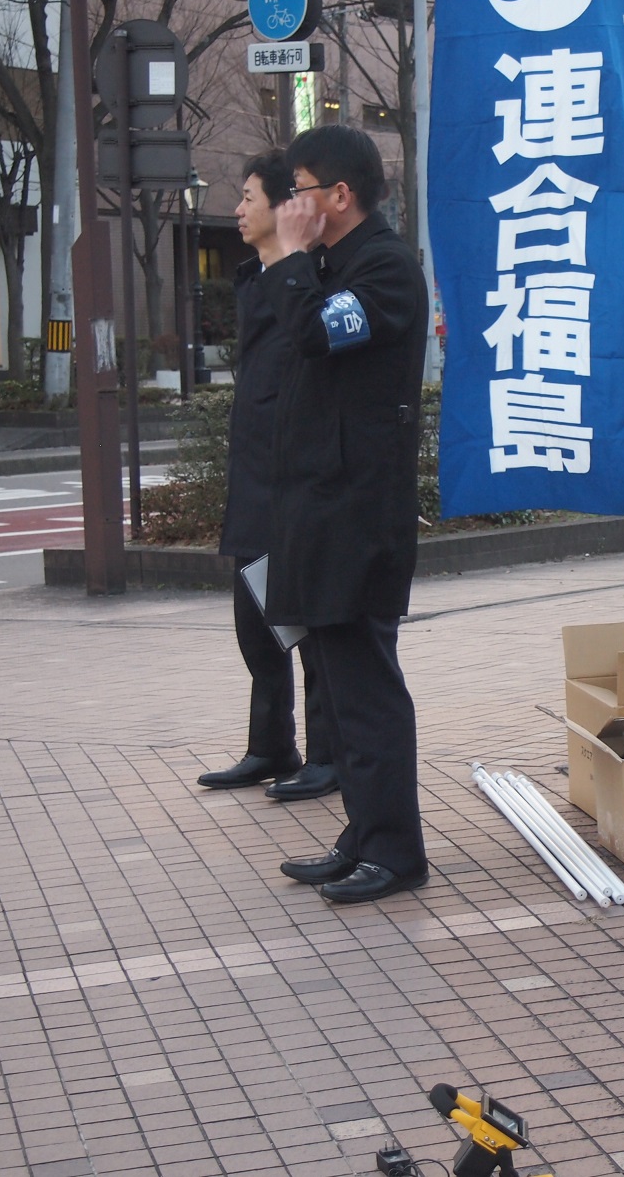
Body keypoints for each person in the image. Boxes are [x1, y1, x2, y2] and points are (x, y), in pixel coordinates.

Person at [258, 125, 430, 904]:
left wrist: (291, 261)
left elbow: (313, 335)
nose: (291, 205)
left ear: (339, 195)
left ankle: (395, 852)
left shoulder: (387, 270)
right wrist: (295, 264)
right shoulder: (333, 266)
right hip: (318, 508)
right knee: (335, 681)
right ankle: (362, 836)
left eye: (299, 189)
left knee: (366, 692)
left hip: (357, 515)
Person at [198, 150, 338, 803]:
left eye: (249, 196)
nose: (237, 208)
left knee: (304, 625)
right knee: (255, 625)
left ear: (284, 207)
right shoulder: (254, 277)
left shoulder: (303, 277)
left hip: (288, 480)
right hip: (252, 476)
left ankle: (327, 756)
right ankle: (270, 744)